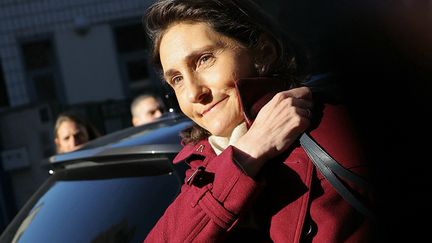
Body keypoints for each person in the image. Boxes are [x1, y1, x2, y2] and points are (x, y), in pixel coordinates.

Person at [142, 0, 375, 242]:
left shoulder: (336, 132)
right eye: (177, 78)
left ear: (263, 53)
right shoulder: (202, 165)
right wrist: (247, 152)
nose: (193, 93)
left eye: (204, 59)